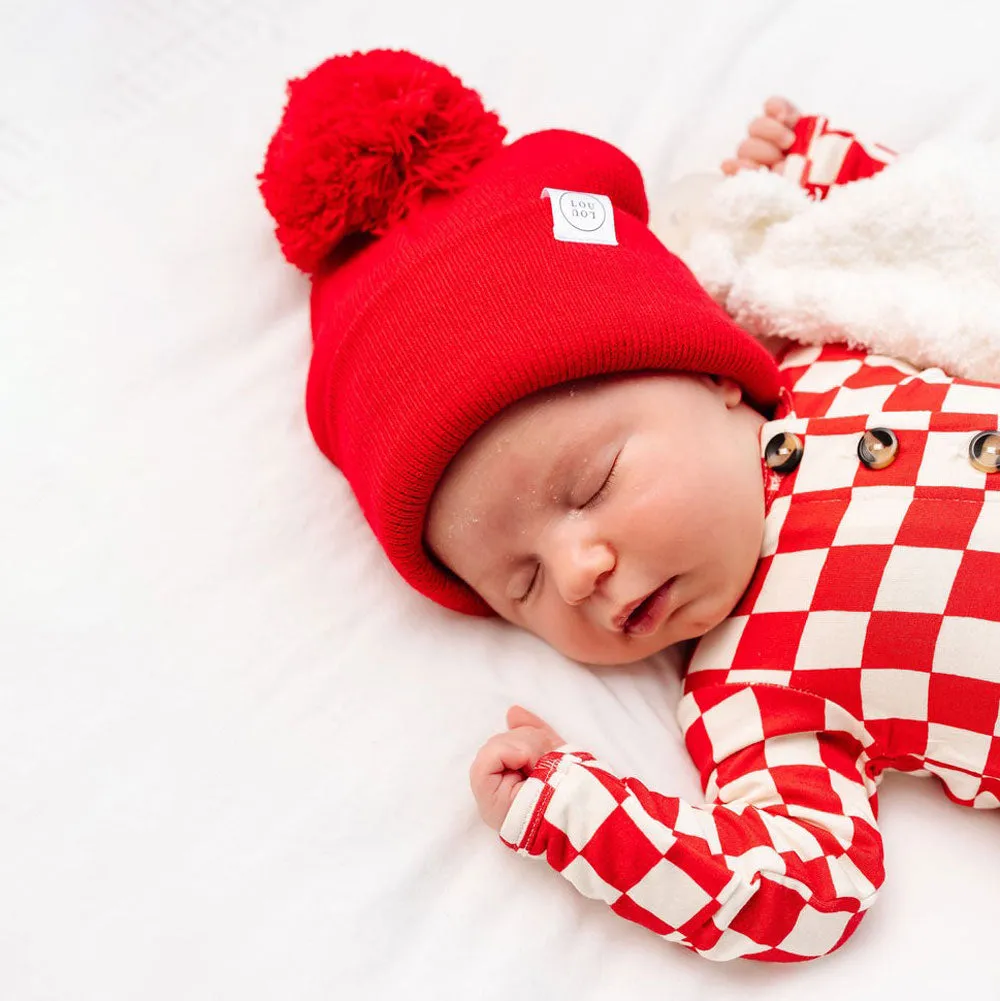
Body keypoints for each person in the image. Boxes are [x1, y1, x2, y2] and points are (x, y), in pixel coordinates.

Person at [259, 49, 1000, 962]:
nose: (577, 573)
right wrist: (582, 814)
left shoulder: (837, 345)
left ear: (713, 369)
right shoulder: (754, 691)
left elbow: (924, 240)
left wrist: (803, 168)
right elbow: (800, 887)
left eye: (593, 484)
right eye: (520, 583)